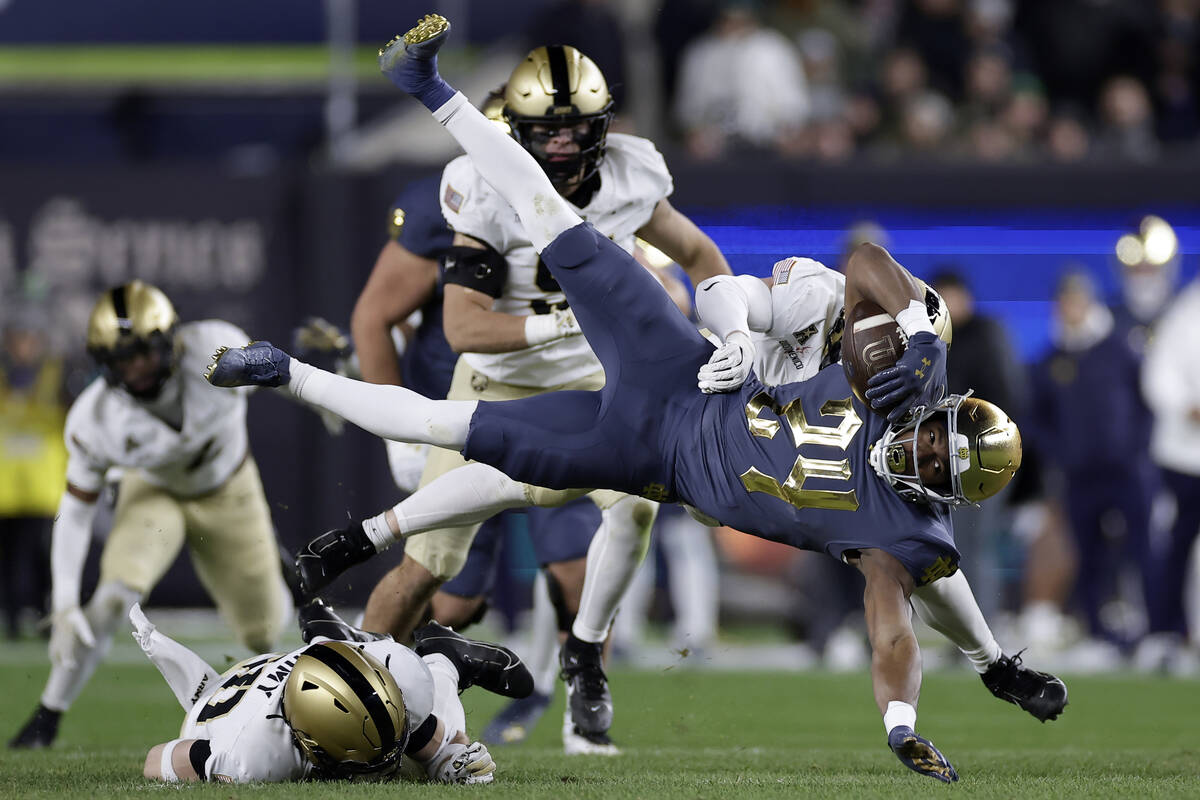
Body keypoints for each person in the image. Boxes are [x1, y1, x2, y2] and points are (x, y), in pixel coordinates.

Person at [204, 15, 1057, 780]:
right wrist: (893, 327)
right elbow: (798, 274)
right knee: (547, 219)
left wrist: (935, 703)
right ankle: (429, 89)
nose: (927, 450)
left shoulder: (905, 537)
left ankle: (289, 378)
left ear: (943, 493)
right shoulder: (888, 348)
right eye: (942, 435)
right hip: (683, 366)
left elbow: (907, 619)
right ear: (944, 404)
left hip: (648, 456)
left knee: (471, 439)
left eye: (941, 467)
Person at [360, 41, 730, 752]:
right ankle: (349, 676)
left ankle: (585, 656)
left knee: (638, 512)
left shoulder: (631, 172)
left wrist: (732, 330)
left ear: (602, 124)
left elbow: (700, 255)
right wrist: (561, 318)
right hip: (498, 388)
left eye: (575, 127)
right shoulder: (483, 186)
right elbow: (462, 326)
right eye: (547, 131)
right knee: (425, 570)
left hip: (598, 383)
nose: (563, 143)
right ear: (517, 134)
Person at [694, 260, 1066, 710]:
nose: (899, 361)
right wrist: (736, 338)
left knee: (923, 551)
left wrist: (924, 350)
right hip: (729, 423)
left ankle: (993, 665)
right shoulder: (813, 295)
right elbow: (718, 288)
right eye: (903, 343)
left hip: (816, 452)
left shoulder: (892, 375)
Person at [8, 281, 295, 750]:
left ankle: (277, 567)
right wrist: (62, 602)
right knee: (112, 597)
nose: (136, 367)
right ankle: (48, 713)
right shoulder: (95, 416)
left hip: (228, 489)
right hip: (153, 490)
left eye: (143, 351)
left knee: (262, 628)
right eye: (123, 357)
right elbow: (75, 513)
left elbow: (284, 375)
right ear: (103, 361)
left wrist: (325, 392)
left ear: (171, 340)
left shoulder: (214, 349)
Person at [135, 600, 528, 783]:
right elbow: (158, 760)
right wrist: (208, 775)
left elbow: (425, 737)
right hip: (283, 676)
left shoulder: (360, 697)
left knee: (414, 725)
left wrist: (453, 759)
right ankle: (437, 657)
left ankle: (427, 656)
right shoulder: (247, 758)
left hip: (322, 663)